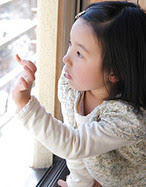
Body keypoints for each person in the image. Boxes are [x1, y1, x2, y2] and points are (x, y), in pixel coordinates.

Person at [12, 1, 146, 186]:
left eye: (79, 53)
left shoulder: (128, 118)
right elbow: (76, 149)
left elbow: (73, 143)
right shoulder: (71, 89)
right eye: (70, 44)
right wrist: (78, 184)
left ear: (114, 72)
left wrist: (26, 105)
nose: (65, 58)